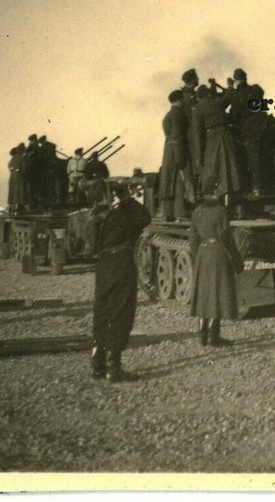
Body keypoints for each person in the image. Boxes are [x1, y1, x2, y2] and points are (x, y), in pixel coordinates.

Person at [90, 183, 152, 382]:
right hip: (120, 264)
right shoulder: (117, 216)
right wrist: (126, 198)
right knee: (120, 311)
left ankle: (97, 365)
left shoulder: (92, 218)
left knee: (102, 311)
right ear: (108, 196)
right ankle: (113, 369)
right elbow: (144, 217)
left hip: (103, 266)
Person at [189, 176, 244, 347]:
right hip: (217, 254)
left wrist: (197, 256)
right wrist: (237, 261)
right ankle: (214, 336)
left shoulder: (196, 211)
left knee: (204, 294)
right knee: (216, 294)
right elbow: (226, 237)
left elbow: (193, 238)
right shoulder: (221, 211)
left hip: (202, 254)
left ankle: (202, 334)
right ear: (215, 191)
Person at [194, 82, 243, 201]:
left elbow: (198, 133)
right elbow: (227, 97)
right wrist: (230, 86)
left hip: (212, 139)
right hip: (225, 136)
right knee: (227, 167)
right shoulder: (218, 103)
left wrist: (199, 155)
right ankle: (229, 199)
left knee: (213, 170)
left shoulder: (198, 109)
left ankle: (215, 199)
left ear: (198, 97)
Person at [226, 68, 266, 195]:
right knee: (256, 157)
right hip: (260, 127)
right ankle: (258, 187)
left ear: (236, 80)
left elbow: (234, 115)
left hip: (247, 130)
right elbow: (260, 92)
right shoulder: (254, 90)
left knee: (249, 158)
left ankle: (254, 188)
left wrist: (231, 90)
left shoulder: (237, 95)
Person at [159, 90, 192, 221]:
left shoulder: (168, 115)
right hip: (176, 150)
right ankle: (180, 212)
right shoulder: (178, 114)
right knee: (179, 180)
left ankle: (168, 213)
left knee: (168, 181)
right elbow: (178, 136)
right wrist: (180, 157)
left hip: (168, 150)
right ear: (179, 100)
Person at [37, 135, 57, 207]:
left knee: (46, 186)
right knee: (51, 185)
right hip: (51, 169)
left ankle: (47, 202)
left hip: (44, 170)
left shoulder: (42, 149)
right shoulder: (51, 146)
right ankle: (53, 199)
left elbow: (40, 160)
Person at [8, 144, 27, 214]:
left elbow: (10, 167)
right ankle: (20, 208)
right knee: (20, 192)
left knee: (13, 192)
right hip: (19, 177)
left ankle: (11, 207)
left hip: (12, 177)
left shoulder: (12, 159)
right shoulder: (21, 157)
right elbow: (24, 168)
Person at [23, 134, 40, 210]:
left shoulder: (34, 148)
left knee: (34, 189)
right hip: (33, 172)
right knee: (34, 189)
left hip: (34, 172)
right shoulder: (32, 148)